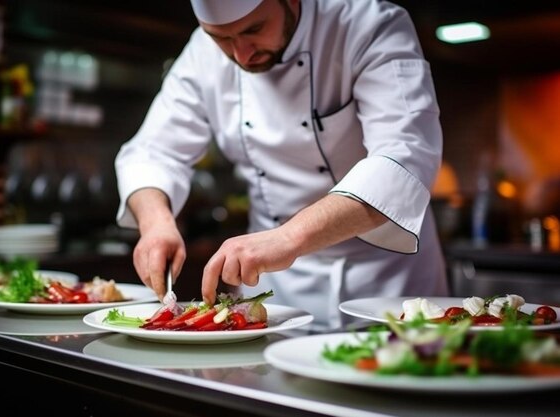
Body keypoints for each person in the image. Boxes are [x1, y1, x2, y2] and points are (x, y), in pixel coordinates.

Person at [115, 0, 449, 331]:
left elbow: (405, 153)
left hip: (387, 282)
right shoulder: (202, 53)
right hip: (278, 290)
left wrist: (289, 238)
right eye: (222, 38)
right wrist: (156, 223)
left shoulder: (368, 24)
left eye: (254, 29)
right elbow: (152, 152)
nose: (241, 54)